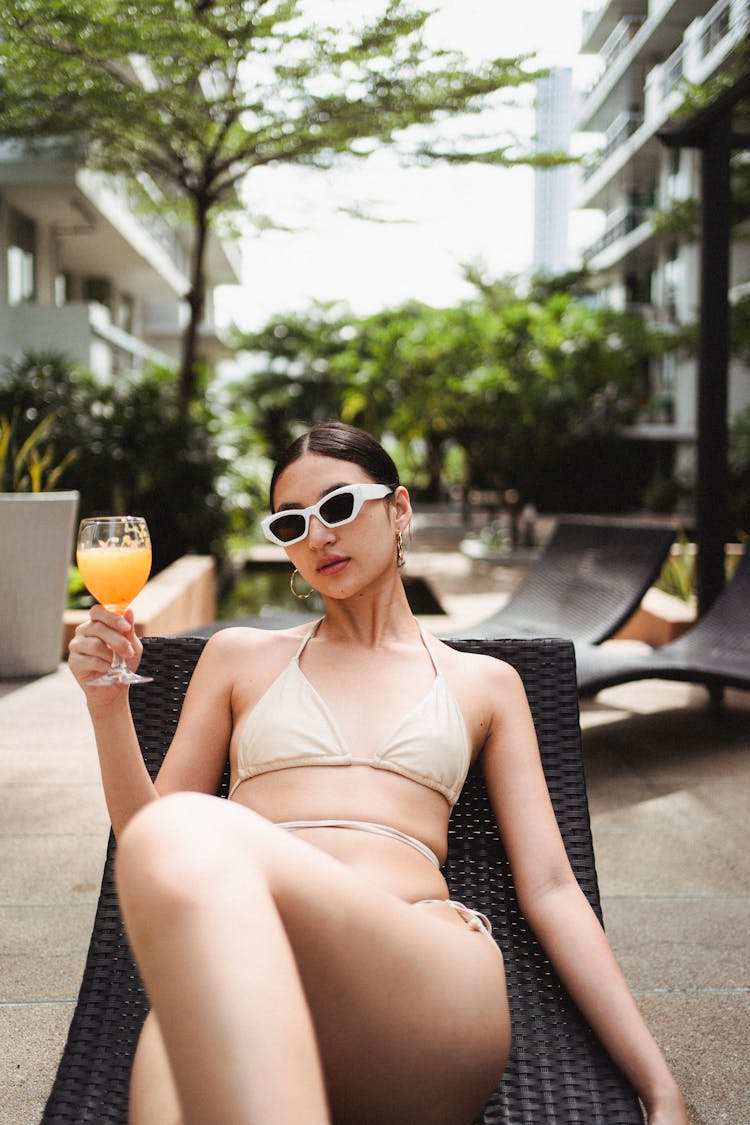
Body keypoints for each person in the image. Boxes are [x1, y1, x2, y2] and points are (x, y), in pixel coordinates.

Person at [69, 421, 688, 1125]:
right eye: (292, 522)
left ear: (398, 510)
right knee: (172, 888)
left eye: (337, 507)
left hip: (420, 976)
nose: (318, 535)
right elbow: (146, 840)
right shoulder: (239, 656)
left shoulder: (486, 682)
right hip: (250, 962)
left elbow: (550, 885)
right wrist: (107, 706)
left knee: (183, 831)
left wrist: (660, 1087)